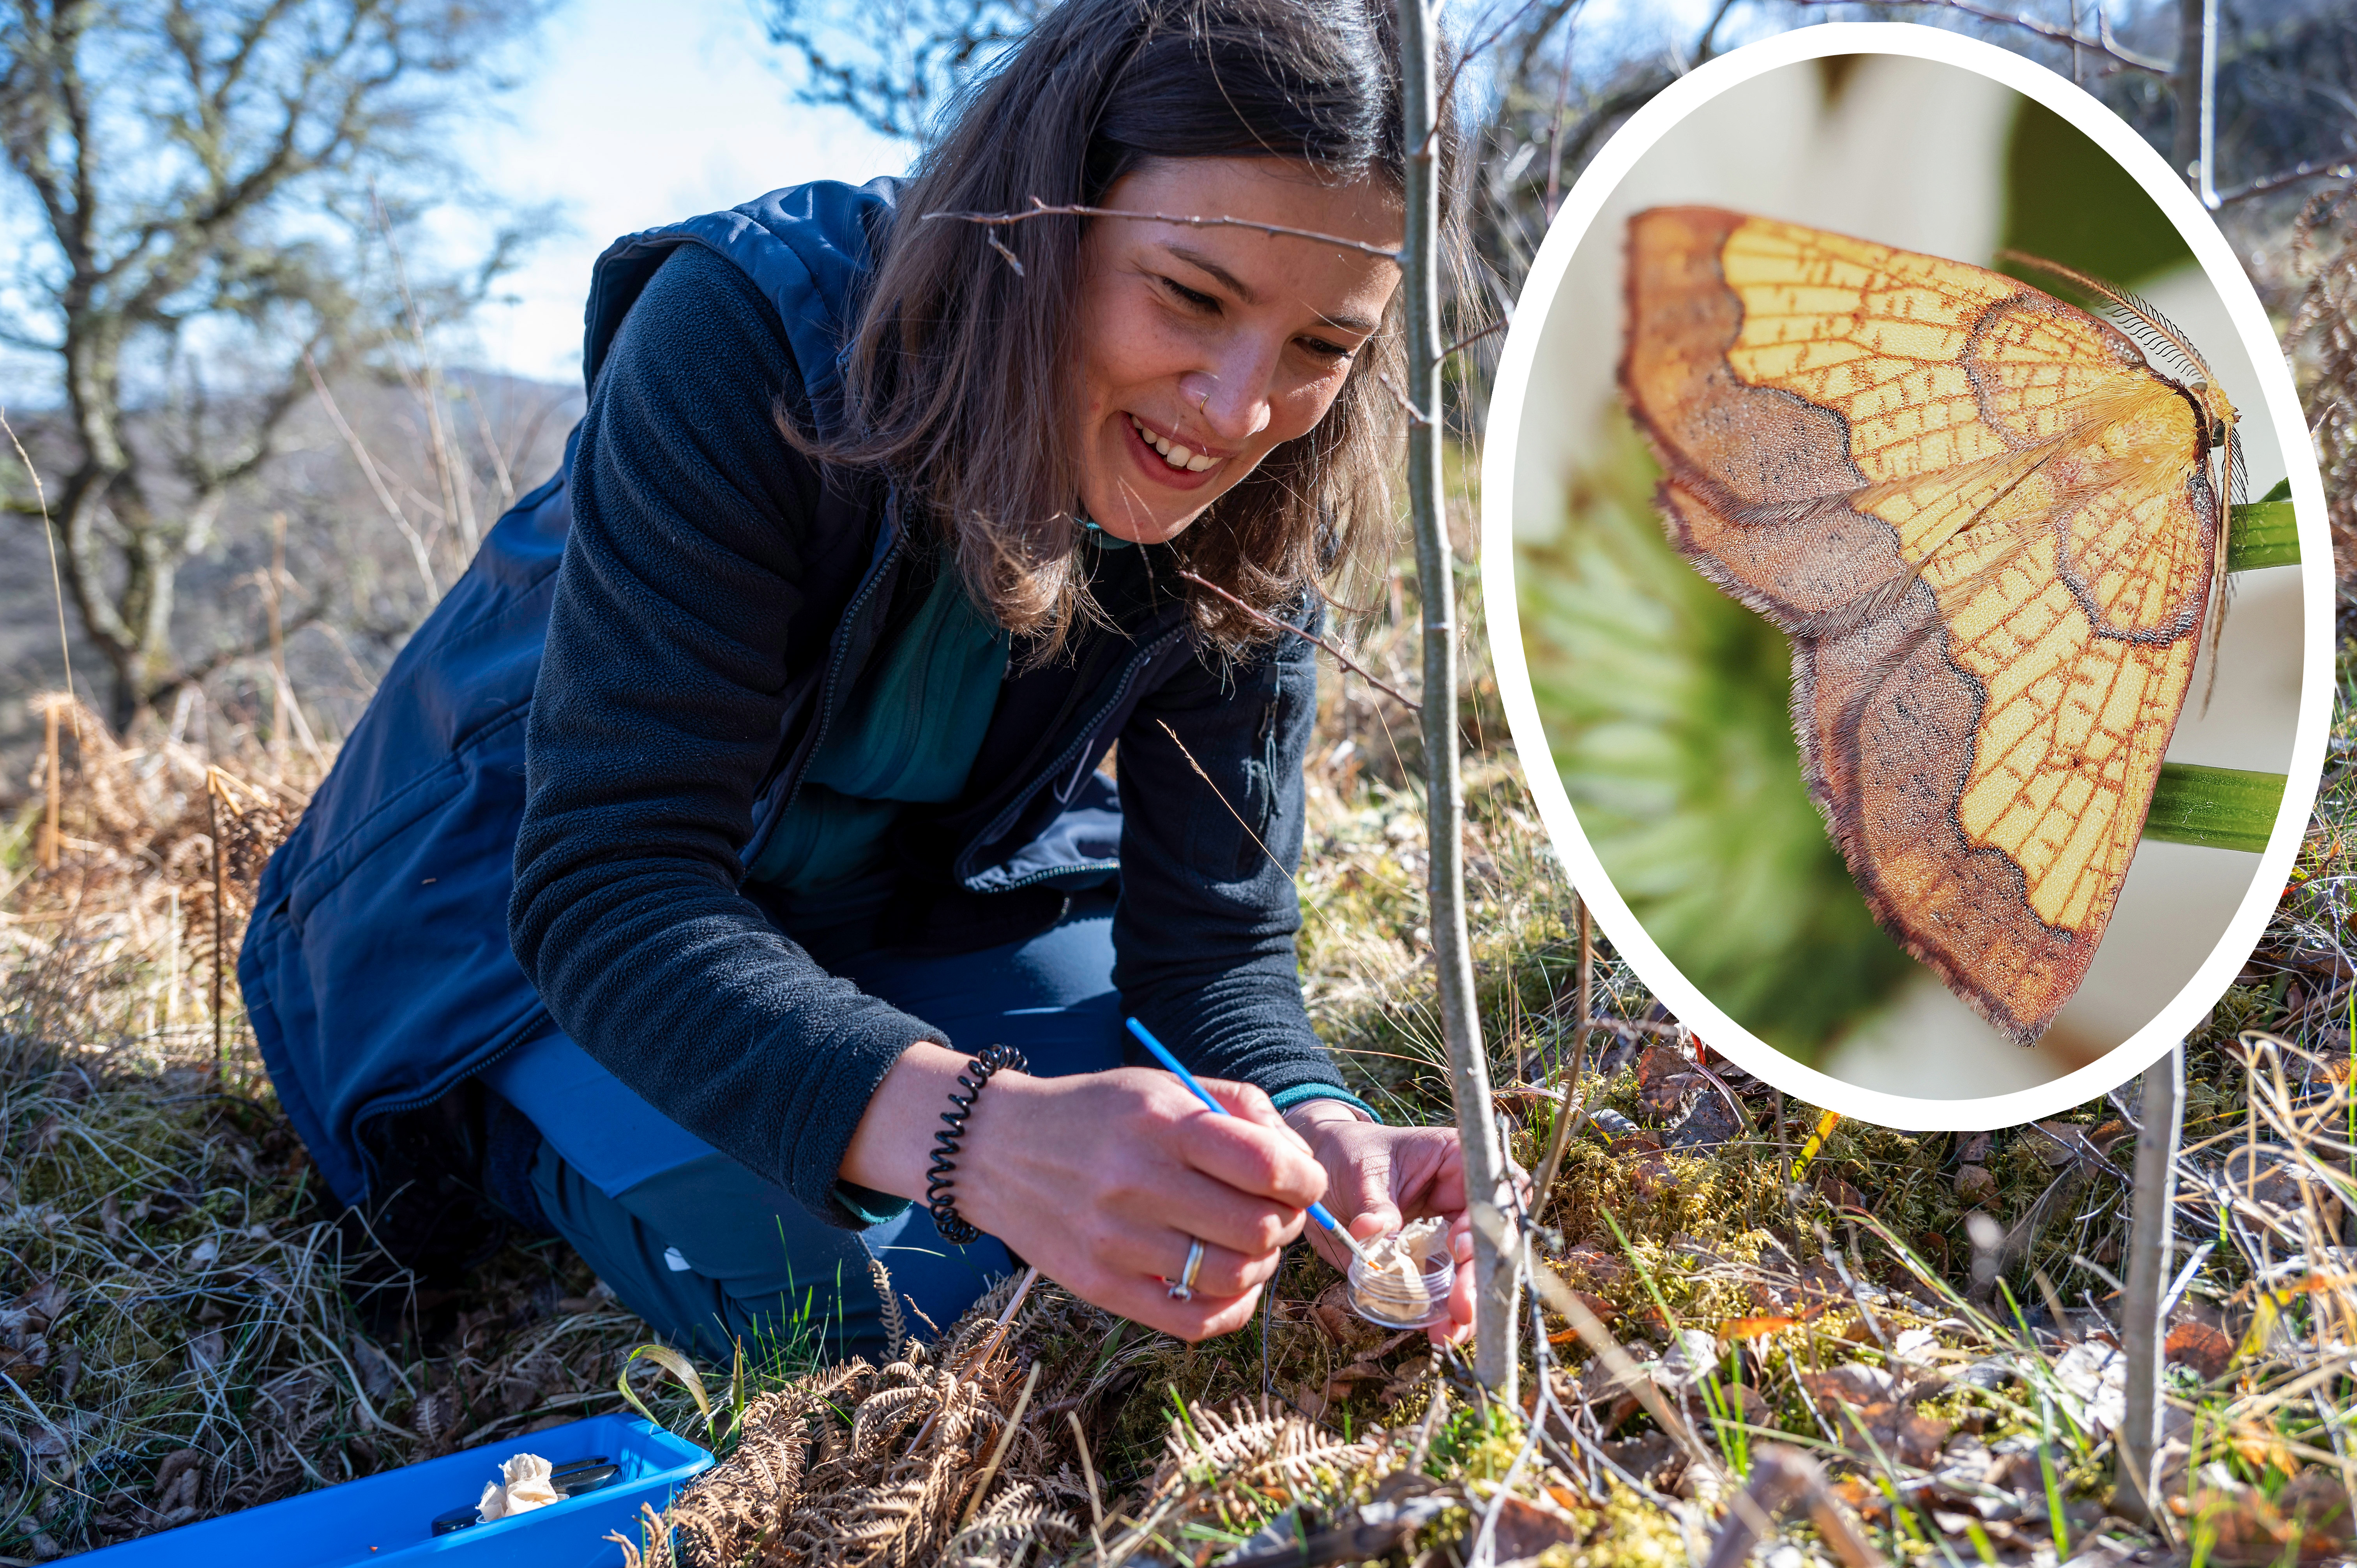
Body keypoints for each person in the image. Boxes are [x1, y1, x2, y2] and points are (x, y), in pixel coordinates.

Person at [239, 0, 1478, 1364]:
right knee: (892, 1306)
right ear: (1046, 214)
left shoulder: (1266, 487)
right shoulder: (746, 335)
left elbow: (1214, 947)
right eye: (1190, 296)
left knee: (1208, 1201)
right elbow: (612, 883)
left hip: (908, 895)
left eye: (1324, 348)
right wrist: (988, 1138)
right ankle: (527, 1132)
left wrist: (1318, 1125)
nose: (1238, 410)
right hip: (512, 915)